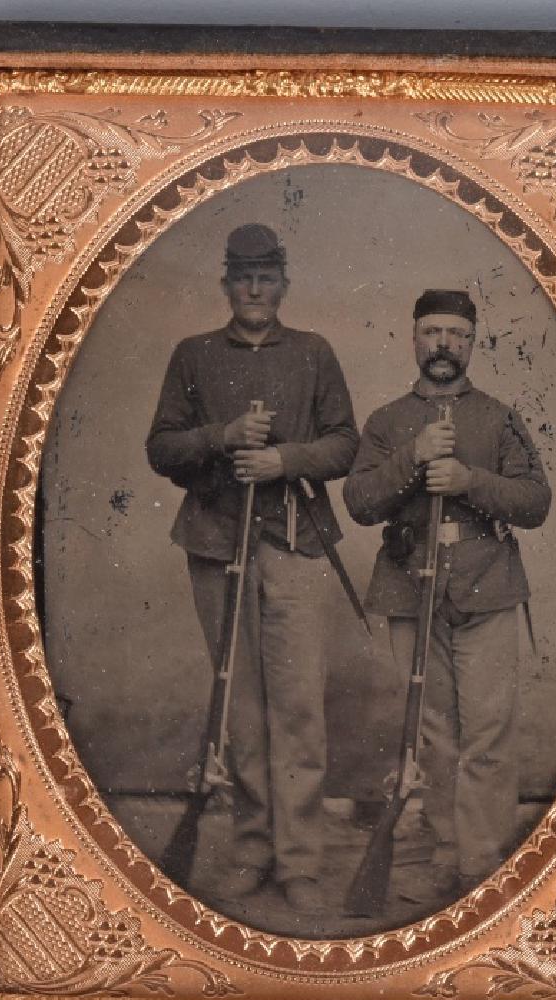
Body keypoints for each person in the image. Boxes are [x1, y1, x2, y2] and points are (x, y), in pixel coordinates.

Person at [146, 224, 359, 914]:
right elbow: (162, 450)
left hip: (296, 544)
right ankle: (252, 849)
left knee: (297, 705)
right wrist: (222, 438)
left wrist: (283, 461)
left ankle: (300, 860)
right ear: (227, 284)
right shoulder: (193, 355)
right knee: (240, 706)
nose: (255, 289)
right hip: (216, 543)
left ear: (284, 283)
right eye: (243, 277)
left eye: (266, 277)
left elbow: (346, 445)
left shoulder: (314, 354)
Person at [343, 289, 551, 905]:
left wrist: (469, 480)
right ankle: (442, 852)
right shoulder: (386, 422)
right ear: (413, 338)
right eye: (432, 332)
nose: (443, 345)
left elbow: (536, 501)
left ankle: (480, 864)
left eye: (456, 335)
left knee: (487, 731)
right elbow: (358, 504)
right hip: (411, 585)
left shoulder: (500, 417)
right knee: (434, 734)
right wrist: (412, 458)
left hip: (486, 582)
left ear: (471, 342)